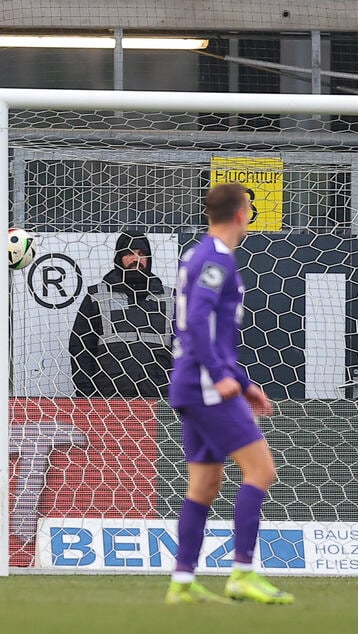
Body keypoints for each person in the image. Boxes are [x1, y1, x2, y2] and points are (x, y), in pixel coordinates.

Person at [165, 182, 292, 605]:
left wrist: (244, 380)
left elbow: (213, 332)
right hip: (204, 384)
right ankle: (242, 572)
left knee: (204, 484)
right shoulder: (216, 258)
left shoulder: (198, 255)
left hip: (194, 380)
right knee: (261, 471)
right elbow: (198, 320)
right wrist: (221, 376)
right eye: (251, 209)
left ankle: (182, 581)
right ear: (241, 214)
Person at [69, 231, 174, 398]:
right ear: (118, 258)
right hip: (109, 400)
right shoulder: (98, 296)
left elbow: (185, 351)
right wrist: (86, 395)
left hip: (161, 400)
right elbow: (80, 348)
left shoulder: (170, 298)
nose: (135, 260)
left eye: (141, 254)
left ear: (149, 258)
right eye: (129, 254)